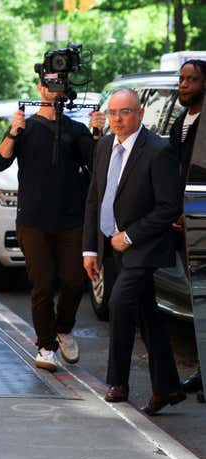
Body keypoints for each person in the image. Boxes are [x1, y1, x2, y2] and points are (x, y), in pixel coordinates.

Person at [0, 73, 105, 372]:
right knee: (41, 285)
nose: (55, 90)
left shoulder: (76, 129)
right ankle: (45, 345)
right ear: (40, 88)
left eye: (60, 85)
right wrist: (14, 131)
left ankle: (64, 329)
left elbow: (96, 166)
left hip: (71, 219)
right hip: (33, 219)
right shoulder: (26, 128)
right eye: (49, 84)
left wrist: (97, 134)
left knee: (72, 281)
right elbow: (0, 161)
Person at [83, 88, 185, 415]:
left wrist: (130, 236)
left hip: (145, 246)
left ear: (140, 114)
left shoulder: (159, 150)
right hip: (111, 245)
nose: (117, 118)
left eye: (125, 112)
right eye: (112, 112)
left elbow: (169, 207)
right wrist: (89, 248)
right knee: (147, 315)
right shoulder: (102, 146)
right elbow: (94, 198)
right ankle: (168, 388)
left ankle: (118, 383)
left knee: (119, 303)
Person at [168, 60, 206, 396]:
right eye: (181, 79)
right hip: (183, 225)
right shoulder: (180, 121)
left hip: (200, 222)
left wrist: (189, 211)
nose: (184, 84)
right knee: (196, 300)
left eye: (192, 79)